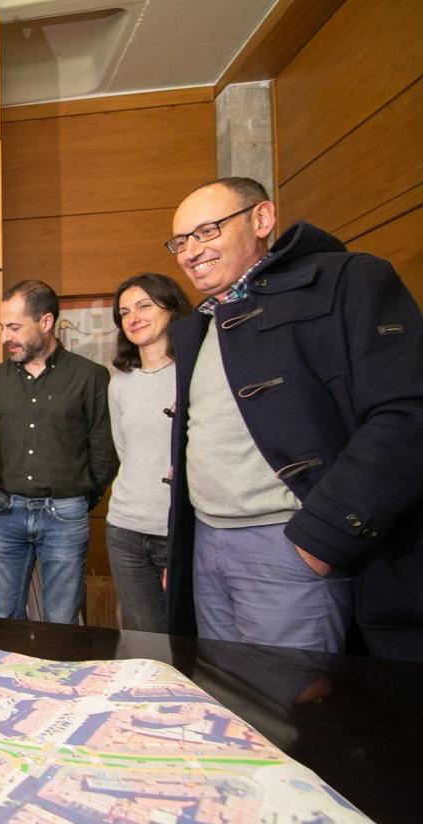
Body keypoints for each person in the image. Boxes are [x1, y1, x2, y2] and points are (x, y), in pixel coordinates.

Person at [165, 176, 423, 660]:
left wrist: (321, 540)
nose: (190, 252)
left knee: (289, 715)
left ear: (261, 219)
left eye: (207, 231)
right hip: (207, 544)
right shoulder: (201, 322)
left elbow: (407, 415)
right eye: (180, 242)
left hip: (288, 544)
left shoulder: (349, 281)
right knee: (228, 701)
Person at [0, 279, 118, 623]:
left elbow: (104, 451)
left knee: (62, 620)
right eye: (2, 327)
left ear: (45, 322)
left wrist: (79, 499)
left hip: (64, 515)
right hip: (5, 513)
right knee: (3, 616)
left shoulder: (90, 376)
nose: (4, 337)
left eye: (14, 327)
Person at [105, 273, 192, 633]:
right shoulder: (120, 382)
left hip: (178, 530)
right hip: (125, 529)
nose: (133, 318)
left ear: (171, 308)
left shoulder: (194, 373)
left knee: (188, 638)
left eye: (144, 306)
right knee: (143, 641)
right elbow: (125, 452)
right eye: (124, 312)